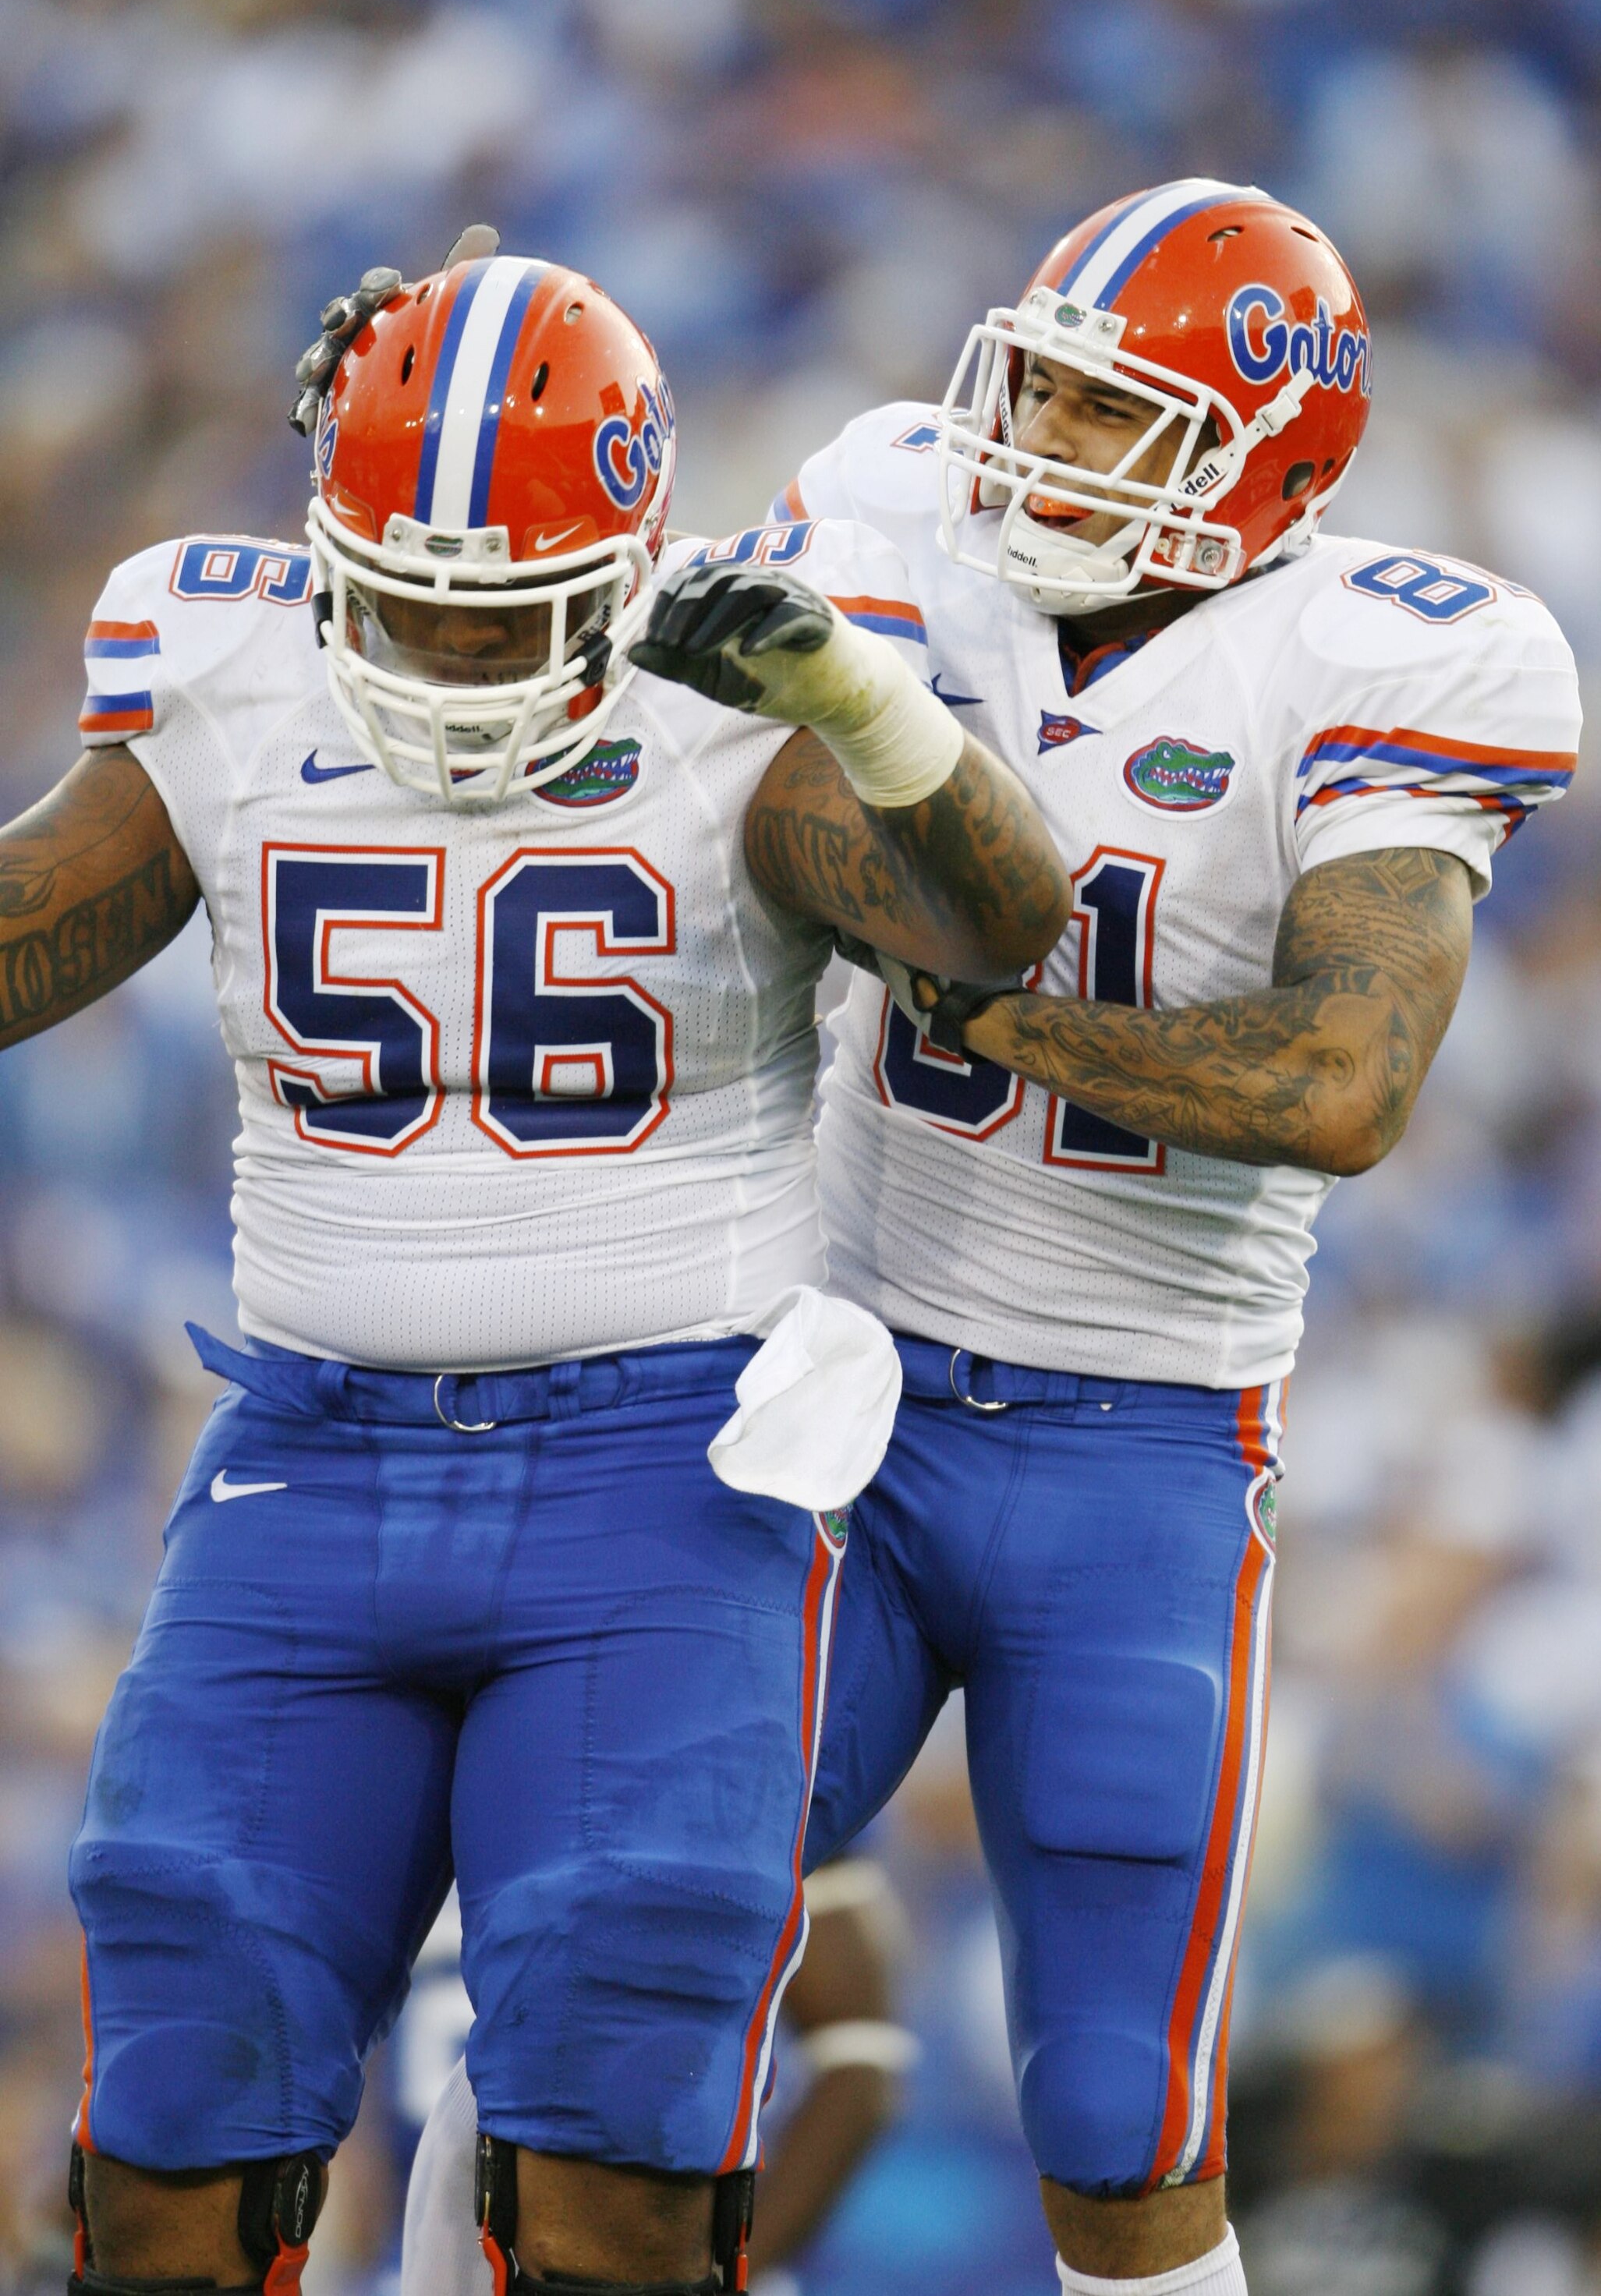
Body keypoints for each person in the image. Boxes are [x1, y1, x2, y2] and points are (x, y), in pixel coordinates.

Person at [6, 242, 1069, 2296]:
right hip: (306, 1468)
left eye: (496, 611)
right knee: (167, 2120)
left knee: (616, 2158)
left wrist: (858, 702)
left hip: (658, 1484)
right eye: (396, 593)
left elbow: (1001, 930)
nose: (439, 650)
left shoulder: (733, 701)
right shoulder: (220, 664)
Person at [748, 177, 1581, 2296]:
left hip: (1128, 1444)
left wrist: (982, 998)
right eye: (1034, 383)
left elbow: (1336, 1084)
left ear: (1255, 459)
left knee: (1121, 2126)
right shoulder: (893, 506)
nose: (1034, 442)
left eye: (1110, 415)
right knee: (607, 1943)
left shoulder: (1397, 650)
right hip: (831, 1376)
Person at [400, 1856, 914, 2296]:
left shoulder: (722, 1769)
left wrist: (720, 2276)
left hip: (655, 2234)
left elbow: (860, 2058)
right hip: (430, 2236)